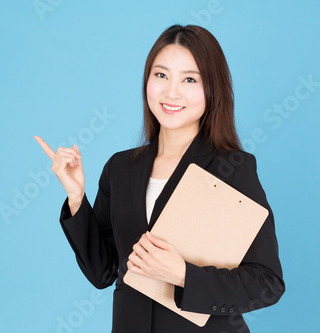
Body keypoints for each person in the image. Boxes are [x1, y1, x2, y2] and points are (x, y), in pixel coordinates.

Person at [34, 24, 285, 332]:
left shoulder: (233, 168)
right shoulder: (120, 168)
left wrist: (183, 275)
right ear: (147, 81)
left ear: (212, 89)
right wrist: (76, 198)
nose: (171, 92)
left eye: (189, 79)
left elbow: (267, 282)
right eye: (161, 75)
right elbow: (103, 271)